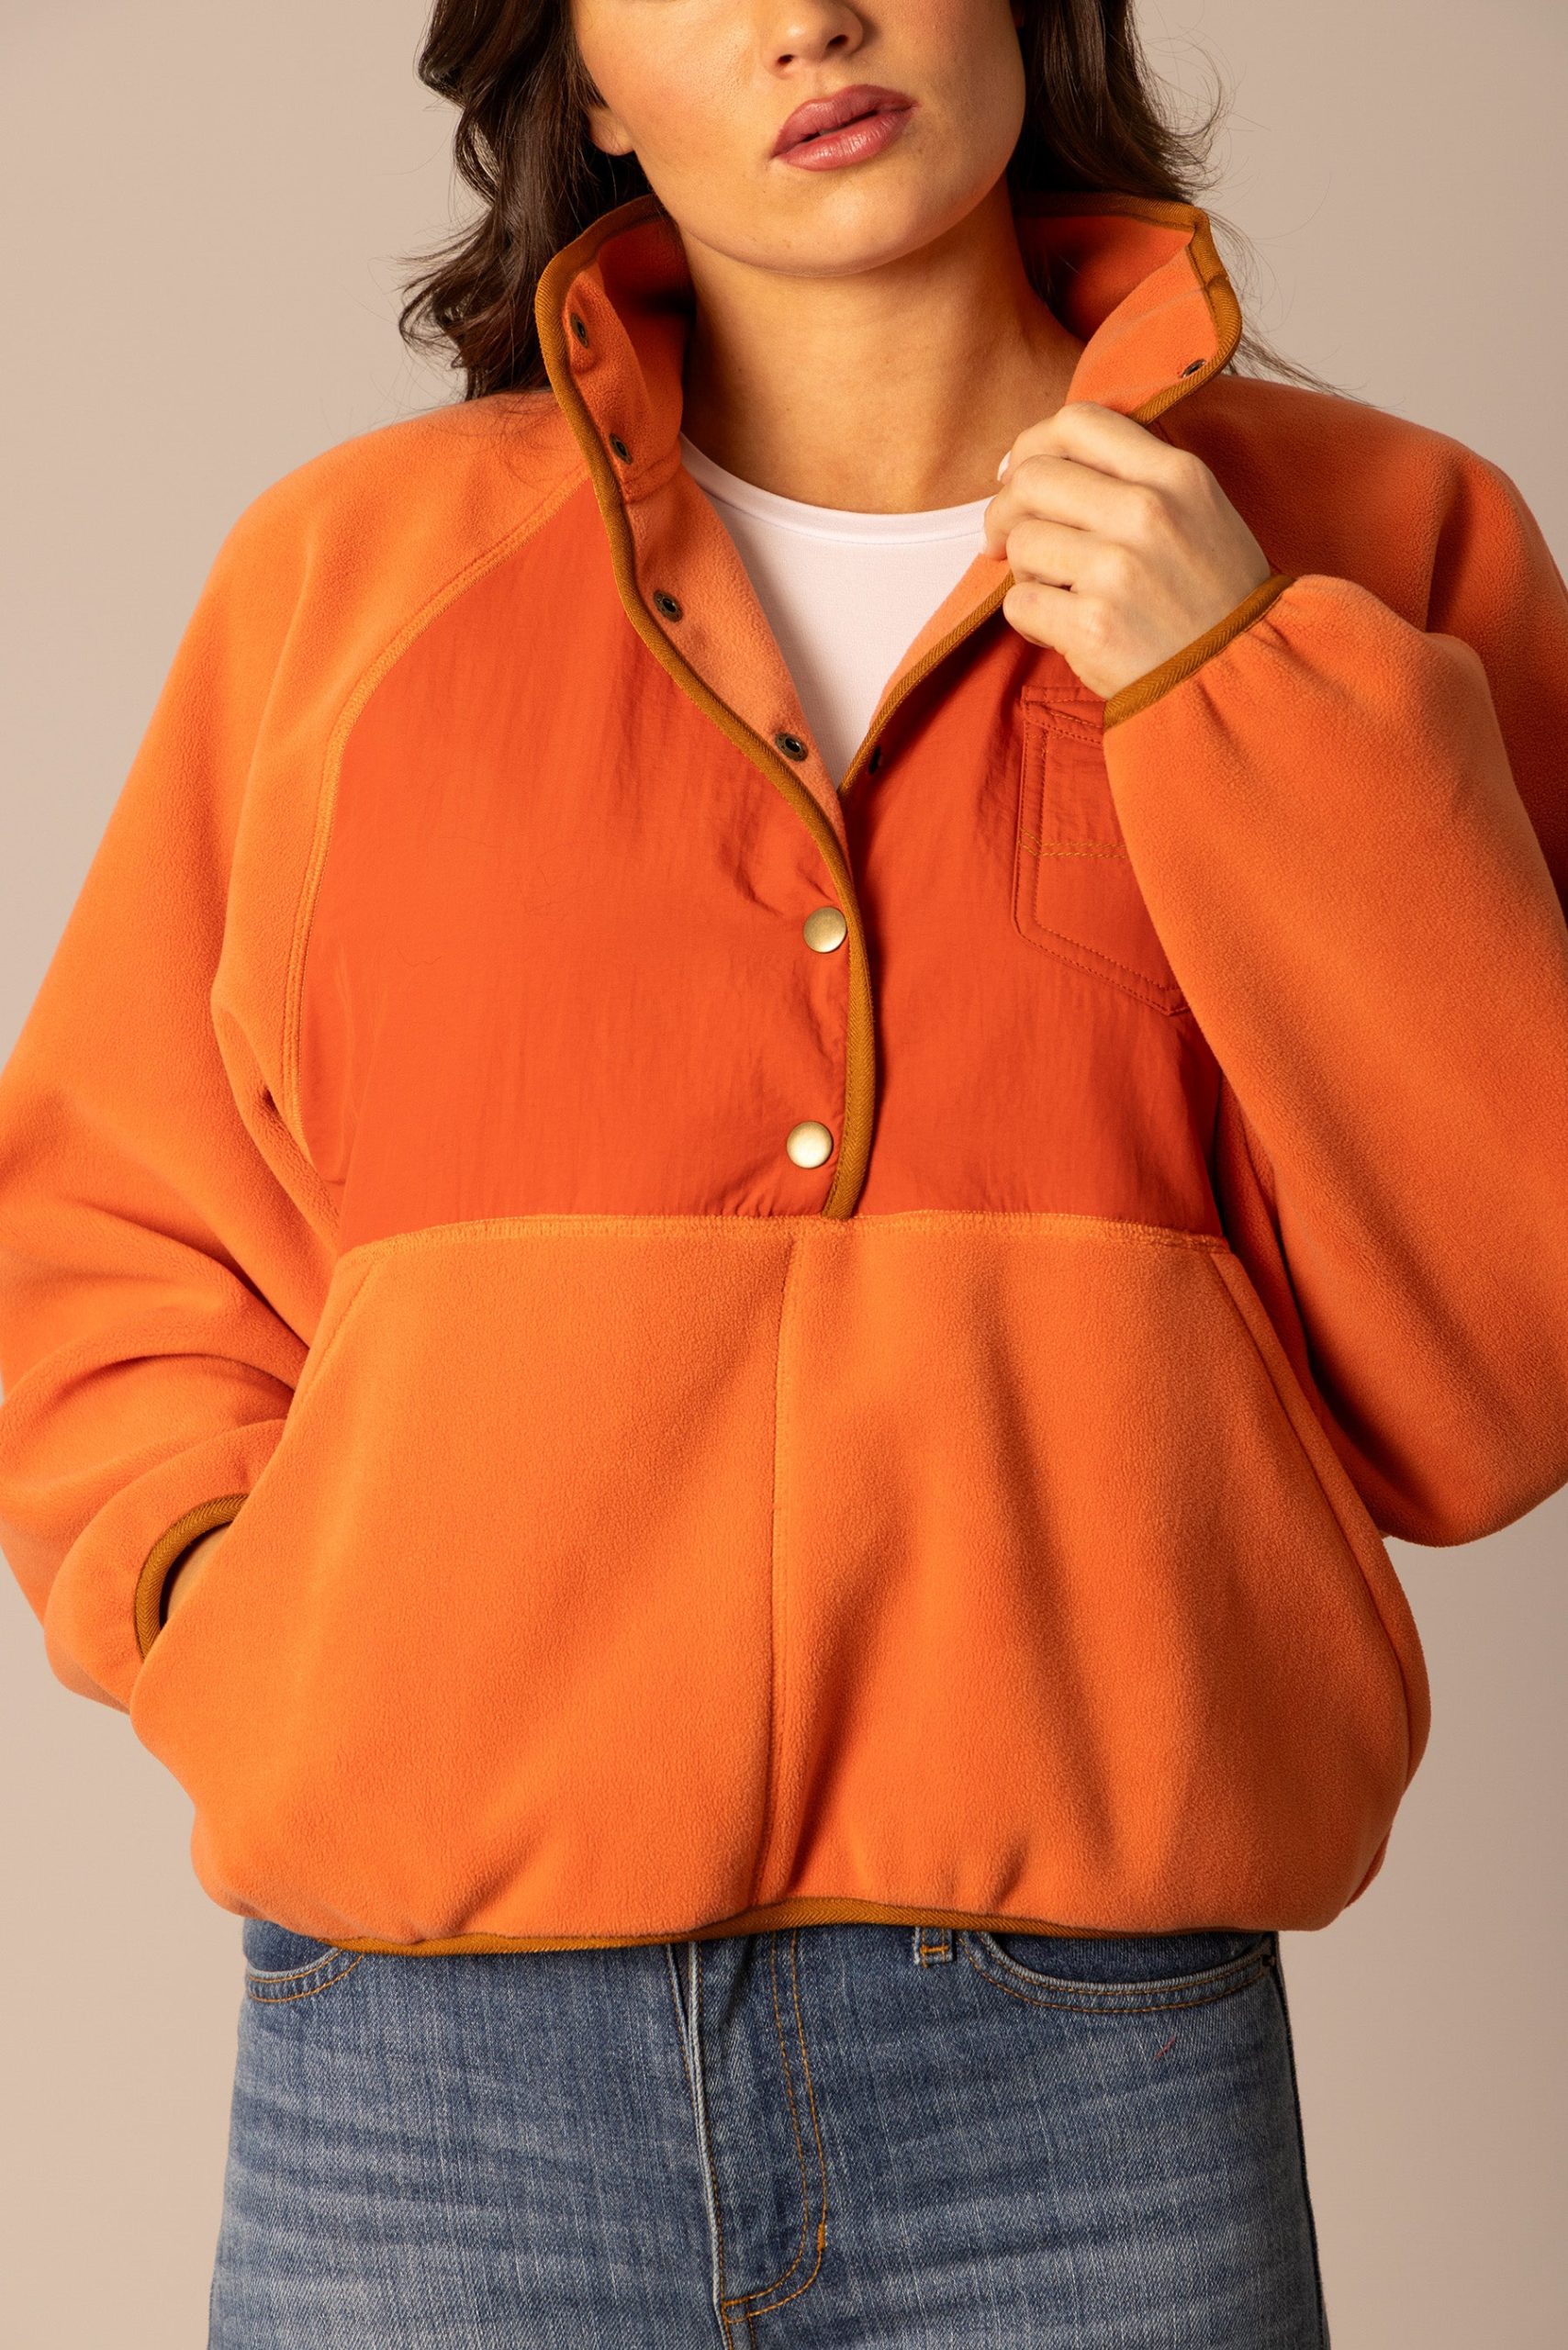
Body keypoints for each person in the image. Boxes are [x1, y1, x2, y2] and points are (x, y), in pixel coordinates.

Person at [3, 0, 1566, 2340]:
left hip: (1088, 2078)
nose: (804, 17)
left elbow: (1498, 1365)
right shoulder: (348, 577)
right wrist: (249, 1612)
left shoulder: (1374, 548)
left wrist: (1236, 692)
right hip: (429, 2075)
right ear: (580, 80)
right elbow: (103, 1233)